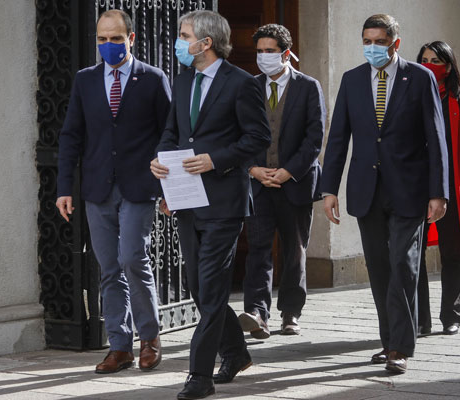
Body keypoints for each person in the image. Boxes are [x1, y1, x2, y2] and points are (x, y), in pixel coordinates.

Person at [150, 10, 271, 400]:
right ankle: (235, 353)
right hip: (186, 200)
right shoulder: (184, 80)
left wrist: (215, 159)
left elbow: (258, 138)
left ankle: (198, 376)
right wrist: (161, 165)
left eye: (184, 36)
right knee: (198, 288)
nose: (179, 42)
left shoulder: (242, 84)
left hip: (224, 202)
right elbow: (172, 133)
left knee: (213, 286)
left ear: (206, 43)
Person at [321, 14, 449, 374]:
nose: (371, 47)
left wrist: (438, 193)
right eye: (367, 40)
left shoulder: (419, 78)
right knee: (379, 268)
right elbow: (338, 139)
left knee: (402, 265)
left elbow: (436, 139)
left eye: (379, 41)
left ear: (395, 43)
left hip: (410, 190)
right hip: (366, 190)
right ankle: (388, 340)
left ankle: (400, 347)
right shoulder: (352, 80)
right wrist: (329, 188)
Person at [56, 10, 171, 374]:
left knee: (132, 259)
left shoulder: (153, 79)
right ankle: (119, 347)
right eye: (102, 39)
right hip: (97, 188)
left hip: (139, 187)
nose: (108, 45)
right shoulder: (85, 80)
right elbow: (72, 135)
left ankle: (149, 338)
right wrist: (64, 189)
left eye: (116, 38)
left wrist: (171, 189)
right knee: (108, 268)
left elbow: (170, 135)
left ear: (131, 38)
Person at [238, 24, 326, 339]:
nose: (264, 57)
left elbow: (315, 137)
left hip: (296, 182)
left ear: (285, 53)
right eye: (259, 52)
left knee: (294, 250)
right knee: (258, 249)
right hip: (259, 183)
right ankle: (258, 315)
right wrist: (252, 169)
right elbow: (237, 134)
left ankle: (290, 313)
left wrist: (289, 171)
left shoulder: (308, 87)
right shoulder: (248, 87)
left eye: (270, 51)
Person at [416, 41, 460, 336]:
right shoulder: (411, 95)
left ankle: (451, 316)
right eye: (425, 59)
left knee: (453, 253)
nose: (431, 65)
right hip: (418, 184)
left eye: (437, 60)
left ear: (449, 65)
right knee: (412, 255)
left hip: (452, 185)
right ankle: (420, 319)